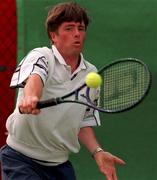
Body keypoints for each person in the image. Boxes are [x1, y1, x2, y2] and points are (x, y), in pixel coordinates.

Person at [0, 2, 125, 180]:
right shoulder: (42, 56)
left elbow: (83, 120)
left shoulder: (91, 74)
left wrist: (97, 152)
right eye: (69, 28)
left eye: (80, 28)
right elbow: (35, 78)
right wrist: (31, 97)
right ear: (53, 35)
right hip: (21, 159)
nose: (76, 34)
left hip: (60, 166)